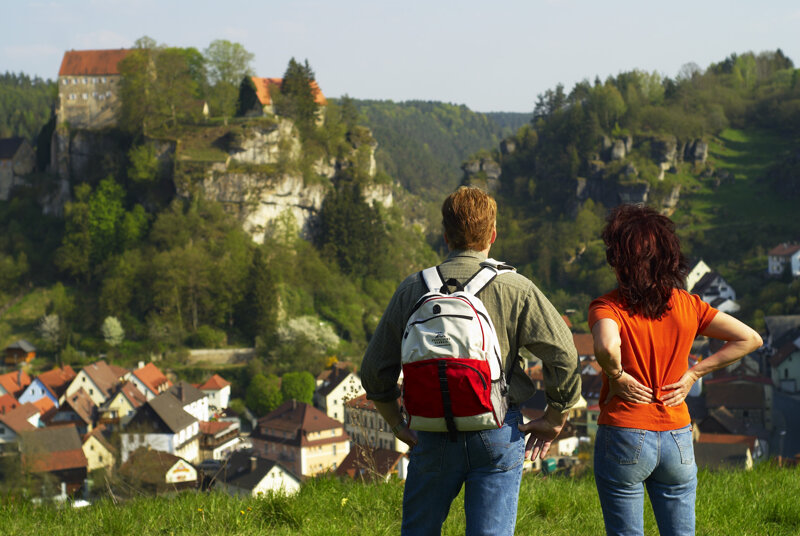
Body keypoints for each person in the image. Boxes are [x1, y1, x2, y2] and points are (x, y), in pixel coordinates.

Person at [360, 186, 581, 536]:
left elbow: (374, 372)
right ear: (493, 235)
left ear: (445, 236)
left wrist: (397, 424)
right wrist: (555, 416)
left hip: (430, 430)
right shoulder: (516, 288)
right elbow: (565, 354)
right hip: (496, 429)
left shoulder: (412, 288)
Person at [589, 204, 762, 536]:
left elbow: (607, 347)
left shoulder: (608, 306)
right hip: (678, 435)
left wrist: (617, 376)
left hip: (625, 430)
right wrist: (694, 374)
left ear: (619, 261)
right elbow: (750, 338)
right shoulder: (688, 304)